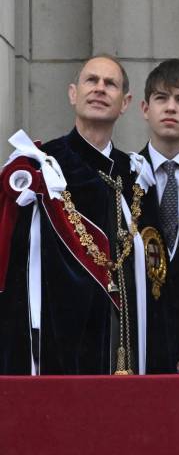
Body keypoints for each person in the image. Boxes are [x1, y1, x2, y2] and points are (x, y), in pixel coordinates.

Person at [0, 55, 152, 374]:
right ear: (73, 93)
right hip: (56, 343)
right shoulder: (40, 168)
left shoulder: (134, 174)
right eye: (91, 81)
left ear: (124, 103)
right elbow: (16, 268)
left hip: (119, 342)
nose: (99, 89)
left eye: (110, 84)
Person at [137, 59, 179, 374]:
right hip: (140, 341)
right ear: (144, 108)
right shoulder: (123, 177)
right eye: (161, 98)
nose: (170, 108)